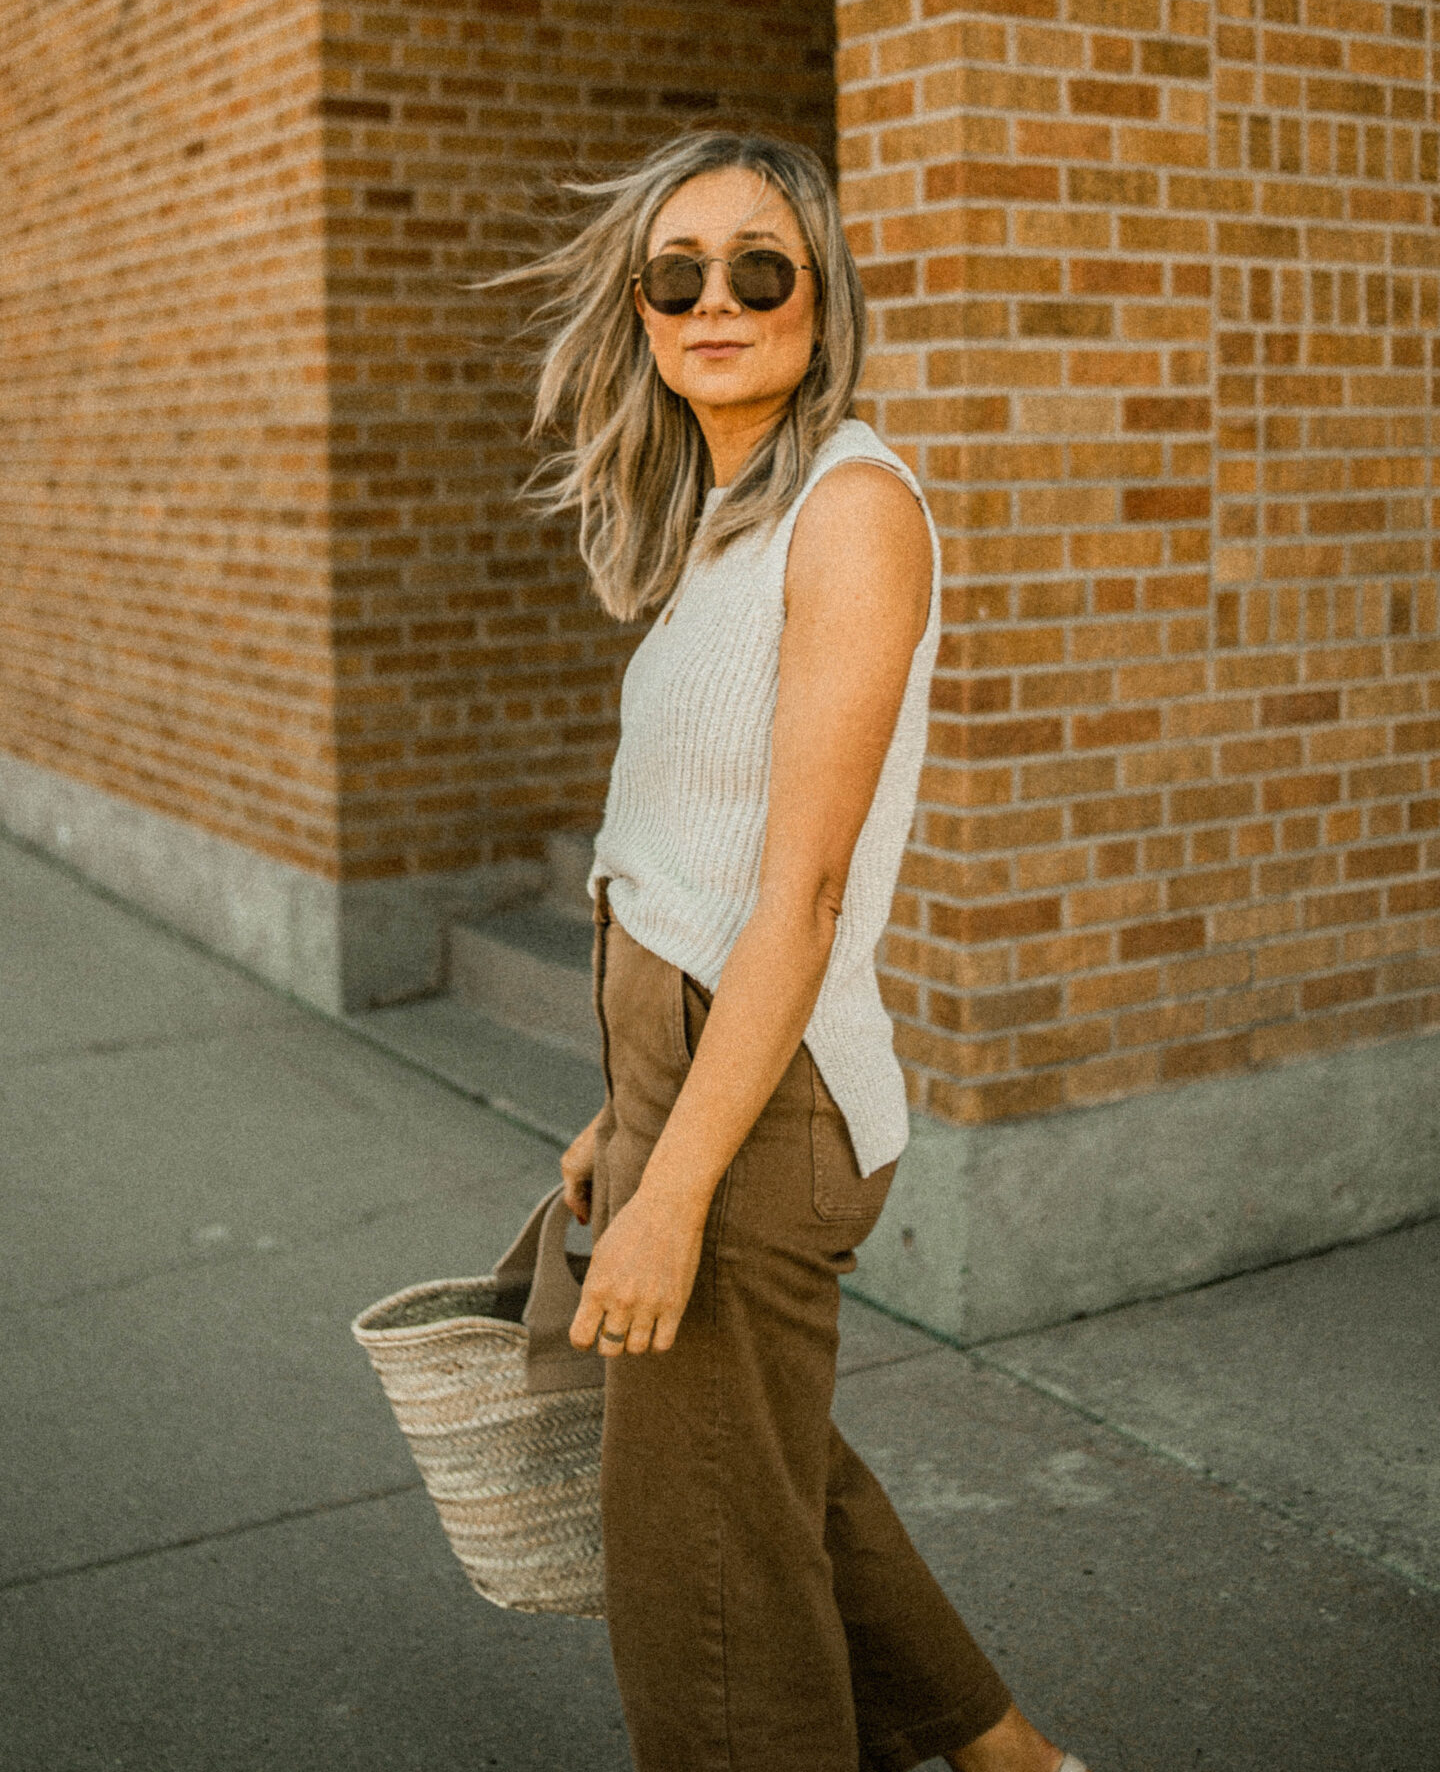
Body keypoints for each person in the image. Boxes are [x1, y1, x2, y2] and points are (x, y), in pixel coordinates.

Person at [494, 130, 1092, 1772]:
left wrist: (676, 1187)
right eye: (675, 273)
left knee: (713, 1614)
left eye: (762, 266)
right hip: (698, 1077)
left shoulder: (852, 511)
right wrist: (631, 1113)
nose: (715, 300)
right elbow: (691, 867)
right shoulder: (732, 520)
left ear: (823, 302)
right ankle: (1012, 1762)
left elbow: (804, 894)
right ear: (640, 307)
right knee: (773, 1485)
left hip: (765, 1115)